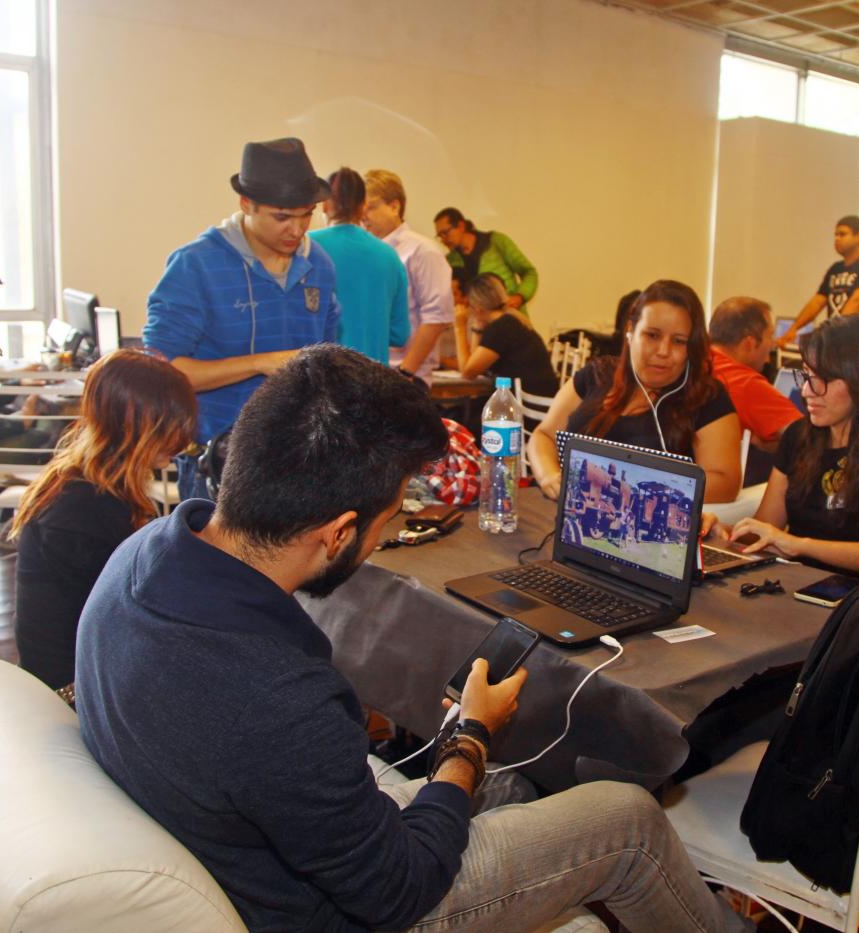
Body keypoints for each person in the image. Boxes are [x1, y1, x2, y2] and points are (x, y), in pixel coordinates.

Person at [75, 346, 748, 933]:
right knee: (626, 819)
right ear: (338, 531)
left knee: (517, 786)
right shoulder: (275, 694)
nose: (386, 537)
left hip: (253, 844)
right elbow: (398, 889)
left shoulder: (141, 556)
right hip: (354, 908)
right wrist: (468, 740)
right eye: (389, 520)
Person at [143, 137, 340, 499]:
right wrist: (257, 364)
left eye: (306, 215)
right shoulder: (196, 265)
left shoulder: (320, 266)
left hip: (297, 459)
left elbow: (328, 355)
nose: (296, 230)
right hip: (217, 464)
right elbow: (164, 375)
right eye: (282, 217)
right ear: (246, 204)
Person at [10, 350, 197, 691]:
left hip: (71, 677)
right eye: (172, 428)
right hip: (71, 692)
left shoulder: (79, 484)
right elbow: (136, 620)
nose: (183, 442)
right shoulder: (87, 512)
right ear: (135, 422)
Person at [709, 314, 859, 576]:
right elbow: (765, 529)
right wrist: (722, 530)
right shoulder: (799, 437)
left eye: (821, 380)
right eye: (805, 377)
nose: (806, 391)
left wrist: (801, 546)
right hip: (795, 587)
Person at [528, 279, 743, 503]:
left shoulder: (706, 397)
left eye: (679, 341)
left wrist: (636, 491)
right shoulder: (597, 374)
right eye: (652, 335)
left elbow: (725, 483)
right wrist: (549, 476)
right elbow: (544, 435)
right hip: (558, 508)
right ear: (630, 331)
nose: (663, 351)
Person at [308, 167, 410, 365]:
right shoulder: (389, 256)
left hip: (320, 379)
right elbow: (399, 335)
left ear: (325, 205)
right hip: (373, 382)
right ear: (363, 206)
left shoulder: (306, 249)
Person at [361, 169, 452, 386]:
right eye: (361, 209)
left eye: (371, 207)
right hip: (369, 372)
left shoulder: (423, 251)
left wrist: (405, 373)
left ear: (394, 206)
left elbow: (435, 319)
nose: (364, 216)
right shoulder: (366, 251)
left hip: (405, 375)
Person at [708, 296, 801, 454]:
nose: (773, 345)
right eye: (770, 336)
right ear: (749, 343)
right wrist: (770, 447)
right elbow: (809, 440)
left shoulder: (693, 363)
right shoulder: (745, 383)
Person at [777, 215, 859, 344]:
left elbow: (858, 300)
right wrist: (793, 329)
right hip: (842, 338)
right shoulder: (836, 269)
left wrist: (834, 331)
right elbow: (817, 302)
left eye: (842, 234)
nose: (837, 239)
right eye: (836, 235)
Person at [456, 274, 559, 402]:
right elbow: (475, 366)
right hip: (536, 401)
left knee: (456, 415)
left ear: (477, 306)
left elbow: (467, 372)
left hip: (527, 407)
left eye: (469, 305)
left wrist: (459, 327)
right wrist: (478, 327)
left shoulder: (501, 328)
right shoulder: (510, 319)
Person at [433, 207, 539, 316]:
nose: (443, 240)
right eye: (439, 236)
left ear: (461, 226)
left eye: (445, 233)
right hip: (479, 324)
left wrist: (520, 296)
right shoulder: (450, 261)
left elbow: (529, 272)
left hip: (512, 317)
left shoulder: (496, 241)